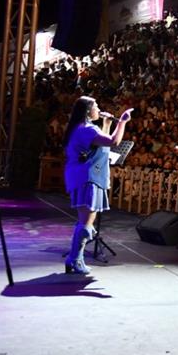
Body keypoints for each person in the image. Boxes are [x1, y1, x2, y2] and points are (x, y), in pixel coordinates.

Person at [63, 96, 132, 274]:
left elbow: (101, 141)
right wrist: (122, 122)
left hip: (83, 176)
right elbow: (114, 142)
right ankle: (75, 259)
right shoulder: (87, 129)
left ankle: (74, 257)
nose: (99, 109)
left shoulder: (82, 128)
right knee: (86, 223)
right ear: (88, 111)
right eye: (96, 106)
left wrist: (107, 124)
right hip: (88, 177)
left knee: (84, 221)